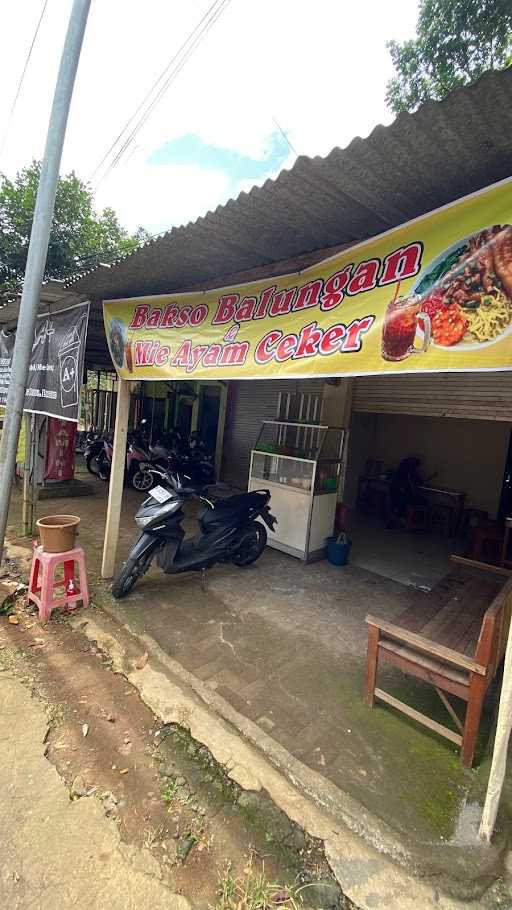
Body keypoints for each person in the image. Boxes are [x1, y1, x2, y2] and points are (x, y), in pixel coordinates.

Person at [389, 456, 430, 525]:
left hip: (400, 496)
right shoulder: (409, 474)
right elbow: (418, 483)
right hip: (403, 497)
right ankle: (408, 520)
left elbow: (419, 482)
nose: (418, 468)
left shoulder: (401, 473)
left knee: (403, 500)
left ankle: (400, 517)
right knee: (425, 501)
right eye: (417, 466)